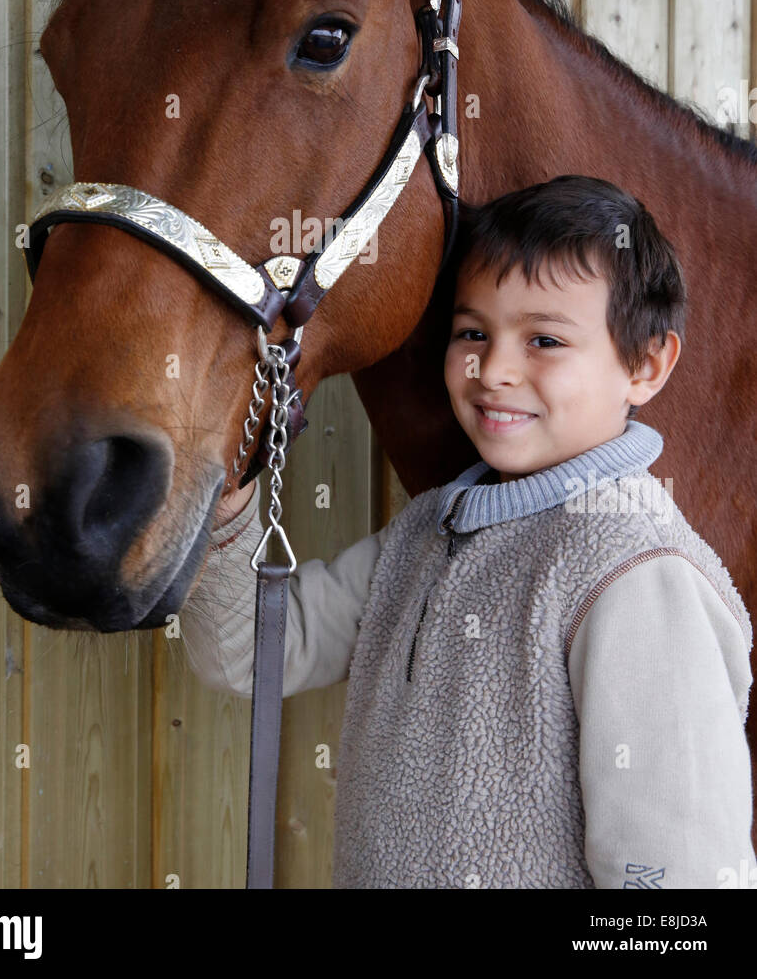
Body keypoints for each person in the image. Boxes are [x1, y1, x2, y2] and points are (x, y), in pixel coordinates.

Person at [181, 175, 755, 889]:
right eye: (473, 333)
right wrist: (226, 501)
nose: (496, 369)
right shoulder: (425, 535)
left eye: (545, 339)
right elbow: (255, 655)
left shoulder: (638, 573)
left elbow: (677, 888)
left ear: (646, 365)